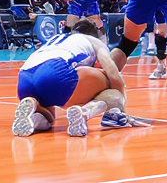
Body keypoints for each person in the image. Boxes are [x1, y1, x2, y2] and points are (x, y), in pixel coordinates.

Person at [11, 19, 149, 137]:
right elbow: (113, 72)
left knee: (48, 116)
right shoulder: (94, 41)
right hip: (55, 71)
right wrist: (120, 104)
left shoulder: (57, 39)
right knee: (109, 81)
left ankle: (32, 117)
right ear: (96, 34)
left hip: (25, 78)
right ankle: (84, 112)